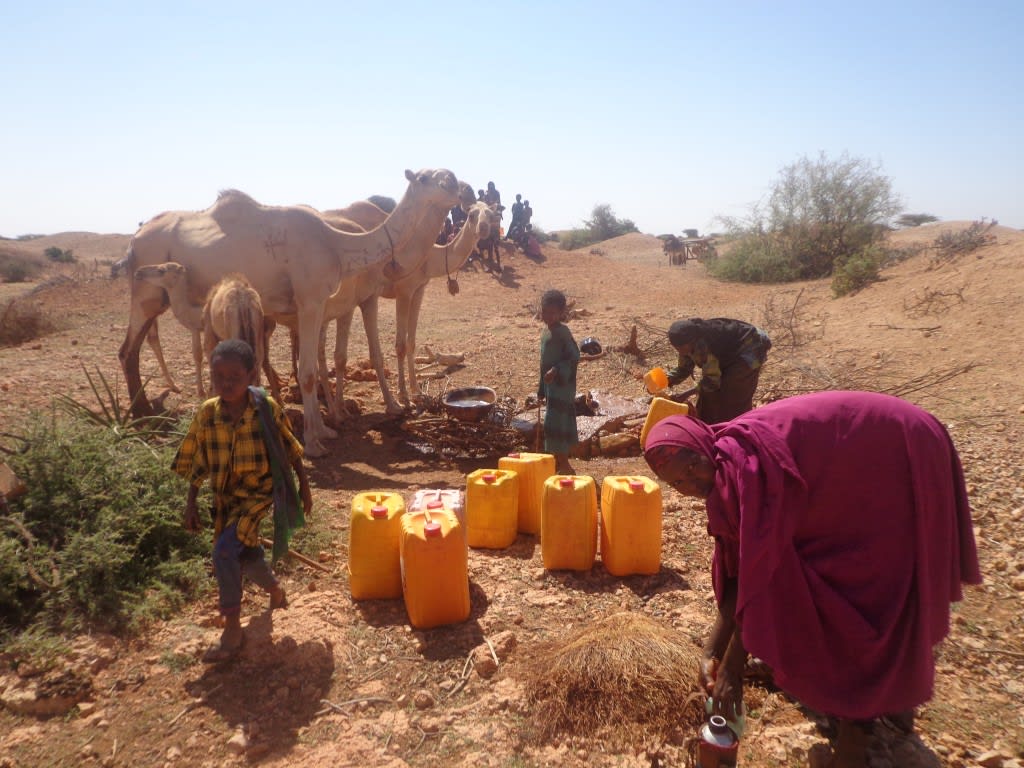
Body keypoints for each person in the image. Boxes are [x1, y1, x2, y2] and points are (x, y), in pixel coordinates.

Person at [642, 391, 981, 768]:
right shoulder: (721, 476)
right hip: (852, 465)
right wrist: (712, 653)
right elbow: (741, 569)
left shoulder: (743, 468)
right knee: (817, 579)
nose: (690, 483)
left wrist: (733, 672)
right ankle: (885, 700)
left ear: (701, 447)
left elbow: (762, 577)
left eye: (692, 468)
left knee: (869, 586)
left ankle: (858, 735)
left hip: (897, 448)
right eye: (678, 484)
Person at [172, 339, 313, 662]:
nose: (226, 383)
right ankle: (275, 590)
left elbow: (289, 449)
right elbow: (197, 459)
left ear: (251, 375)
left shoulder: (265, 409)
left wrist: (303, 487)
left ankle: (232, 629)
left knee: (223, 551)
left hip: (259, 494)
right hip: (225, 498)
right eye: (218, 376)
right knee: (245, 553)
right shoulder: (208, 413)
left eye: (234, 376)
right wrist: (191, 502)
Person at [663, 317, 771, 424]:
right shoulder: (685, 344)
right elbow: (683, 369)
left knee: (733, 395)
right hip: (729, 353)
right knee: (709, 396)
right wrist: (666, 381)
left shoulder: (706, 346)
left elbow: (711, 382)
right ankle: (708, 426)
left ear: (692, 341)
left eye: (682, 348)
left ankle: (740, 428)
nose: (680, 352)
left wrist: (685, 394)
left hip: (750, 347)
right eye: (677, 348)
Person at [536, 289, 580, 474]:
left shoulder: (563, 332)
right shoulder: (546, 333)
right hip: (551, 388)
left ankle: (565, 465)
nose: (548, 316)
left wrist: (556, 370)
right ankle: (559, 463)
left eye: (553, 313)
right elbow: (543, 363)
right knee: (552, 424)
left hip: (562, 387)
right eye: (545, 312)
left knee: (557, 423)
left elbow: (574, 356)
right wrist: (540, 390)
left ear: (561, 313)